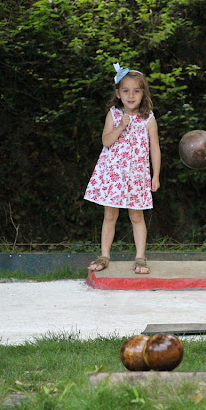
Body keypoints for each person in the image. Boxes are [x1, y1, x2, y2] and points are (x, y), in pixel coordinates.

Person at [84, 63, 161, 274]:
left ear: (143, 93)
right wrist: (121, 127)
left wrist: (156, 175)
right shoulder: (114, 114)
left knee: (137, 217)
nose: (131, 95)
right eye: (125, 91)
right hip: (113, 176)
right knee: (110, 215)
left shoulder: (148, 118)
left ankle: (140, 257)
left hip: (136, 176)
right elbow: (106, 141)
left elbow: (155, 148)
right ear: (118, 93)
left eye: (136, 91)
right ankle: (104, 255)